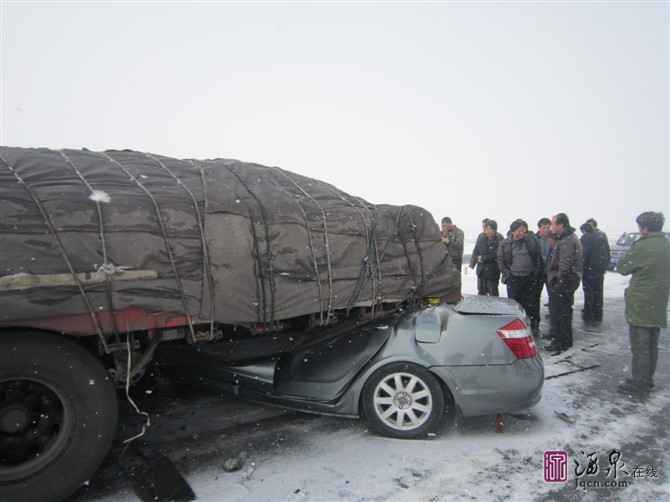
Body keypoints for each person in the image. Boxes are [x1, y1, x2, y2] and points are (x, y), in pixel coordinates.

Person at [616, 212, 670, 396]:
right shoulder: (666, 244)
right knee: (652, 345)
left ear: (645, 228)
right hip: (658, 301)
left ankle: (639, 383)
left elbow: (623, 267)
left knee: (640, 346)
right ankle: (648, 379)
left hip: (641, 302)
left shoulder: (643, 246)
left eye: (640, 227)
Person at [545, 213, 583, 354]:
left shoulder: (567, 240)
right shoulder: (566, 237)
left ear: (561, 225)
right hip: (567, 280)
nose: (551, 226)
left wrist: (557, 282)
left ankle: (560, 342)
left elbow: (565, 265)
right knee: (564, 312)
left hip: (564, 281)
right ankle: (564, 339)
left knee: (560, 313)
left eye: (553, 223)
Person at [497, 219, 543, 333]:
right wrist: (507, 274)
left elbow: (538, 257)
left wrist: (535, 273)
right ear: (512, 231)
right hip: (514, 278)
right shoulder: (505, 243)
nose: (520, 233)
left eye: (523, 230)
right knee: (515, 304)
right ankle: (517, 326)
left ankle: (533, 326)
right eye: (518, 230)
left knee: (531, 303)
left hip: (529, 278)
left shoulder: (532, 241)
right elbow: (500, 260)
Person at [580, 220, 610, 324]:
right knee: (598, 292)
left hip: (589, 270)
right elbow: (607, 251)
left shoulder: (586, 237)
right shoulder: (602, 235)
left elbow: (584, 255)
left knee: (589, 293)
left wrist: (581, 268)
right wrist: (605, 265)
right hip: (599, 270)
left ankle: (588, 315)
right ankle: (598, 314)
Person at [474, 220, 502, 296]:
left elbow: (497, 254)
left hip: (492, 272)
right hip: (481, 271)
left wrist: (483, 258)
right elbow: (476, 250)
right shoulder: (481, 237)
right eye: (486, 229)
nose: (487, 231)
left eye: (489, 229)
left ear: (495, 229)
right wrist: (474, 261)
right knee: (481, 294)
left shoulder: (499, 239)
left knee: (493, 295)